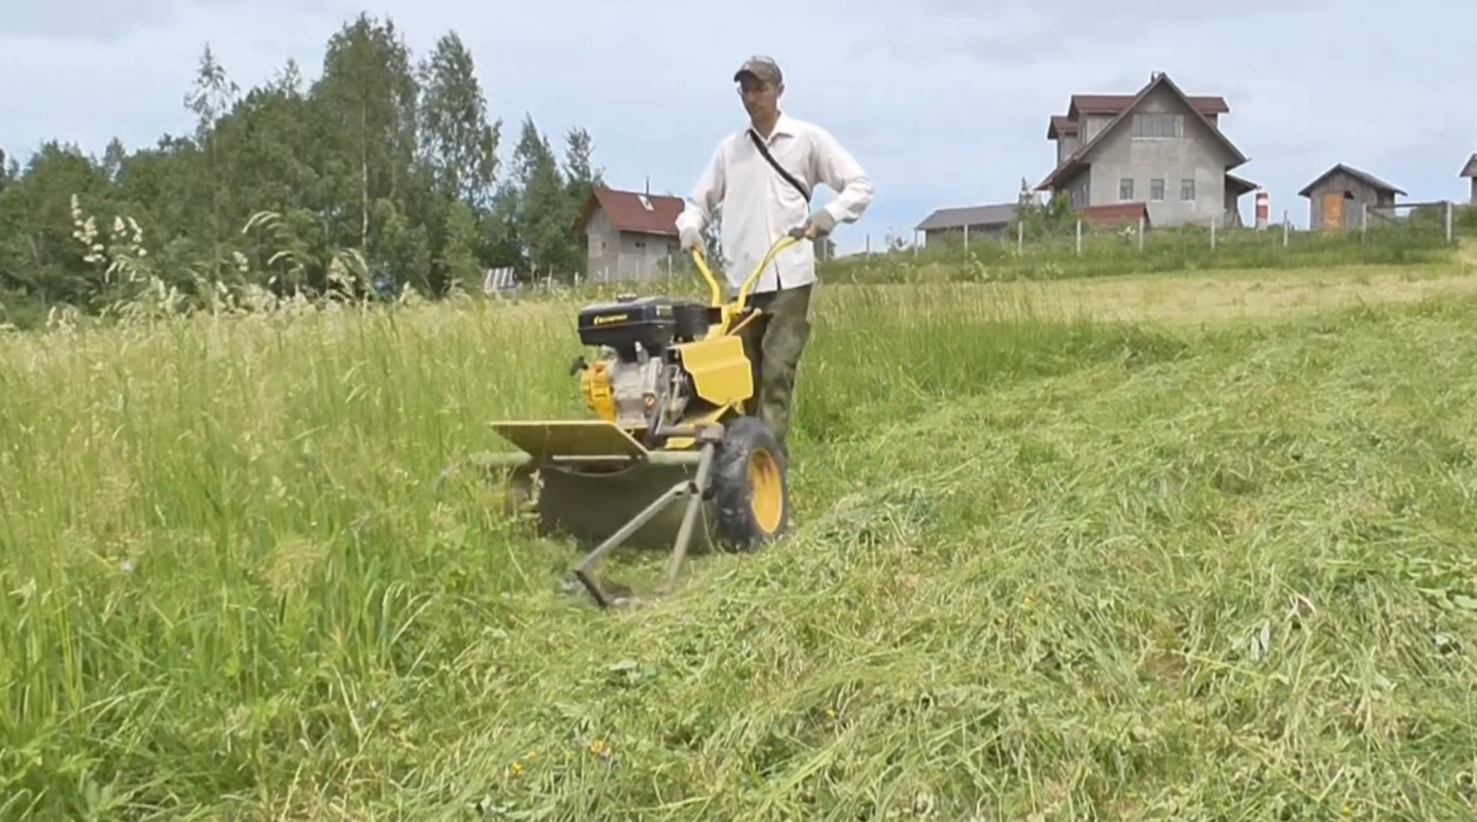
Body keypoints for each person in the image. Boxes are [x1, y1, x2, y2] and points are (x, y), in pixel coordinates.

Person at [674, 55, 874, 453]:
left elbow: (859, 185)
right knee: (737, 378)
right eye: (745, 90)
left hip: (790, 276)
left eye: (760, 88)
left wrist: (827, 217)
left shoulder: (807, 140)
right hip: (742, 281)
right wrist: (690, 227)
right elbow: (699, 202)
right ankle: (734, 460)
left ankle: (766, 464)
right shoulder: (730, 151)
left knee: (777, 371)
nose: (752, 97)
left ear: (779, 91)